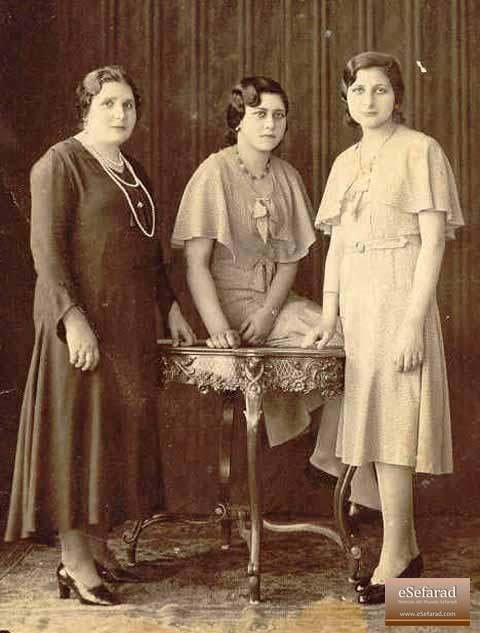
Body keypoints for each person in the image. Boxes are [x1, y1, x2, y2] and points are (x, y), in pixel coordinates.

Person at [4, 65, 195, 606]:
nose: (120, 113)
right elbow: (46, 250)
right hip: (81, 327)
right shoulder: (59, 163)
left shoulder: (132, 169)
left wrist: (171, 307)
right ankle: (74, 562)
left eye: (129, 104)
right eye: (108, 103)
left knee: (110, 441)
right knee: (74, 439)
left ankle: (99, 548)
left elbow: (149, 254)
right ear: (85, 108)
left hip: (129, 327)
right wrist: (73, 318)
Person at [171, 75, 380, 513]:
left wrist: (269, 312)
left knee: (347, 338)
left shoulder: (284, 176)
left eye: (278, 115)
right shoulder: (214, 172)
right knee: (336, 341)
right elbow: (195, 265)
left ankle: (330, 458)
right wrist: (219, 328)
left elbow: (290, 260)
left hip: (273, 305)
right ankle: (332, 463)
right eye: (259, 114)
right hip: (228, 306)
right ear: (238, 120)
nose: (270, 124)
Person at [303, 51, 464, 604]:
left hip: (401, 297)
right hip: (358, 304)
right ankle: (407, 548)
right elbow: (340, 244)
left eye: (380, 90)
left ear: (397, 96)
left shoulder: (420, 151)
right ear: (345, 100)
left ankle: (395, 552)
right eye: (358, 91)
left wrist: (412, 324)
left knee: (397, 425)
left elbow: (435, 240)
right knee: (372, 423)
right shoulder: (345, 162)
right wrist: (329, 315)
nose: (368, 100)